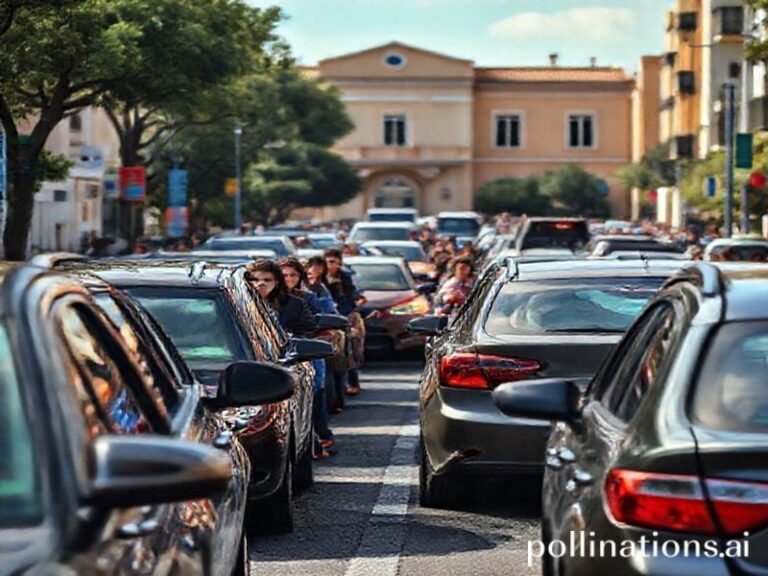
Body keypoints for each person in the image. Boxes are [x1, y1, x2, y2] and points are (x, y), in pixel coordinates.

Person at [278, 257, 336, 458]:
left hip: (303, 351)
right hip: (274, 354)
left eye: (293, 275)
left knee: (315, 390)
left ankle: (321, 436)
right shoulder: (261, 300)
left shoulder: (307, 298)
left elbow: (315, 325)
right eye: (284, 275)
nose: (288, 279)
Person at [324, 248, 365, 401]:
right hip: (330, 319)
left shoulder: (346, 278)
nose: (330, 266)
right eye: (328, 262)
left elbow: (356, 297)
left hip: (348, 317)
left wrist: (353, 314)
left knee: (351, 349)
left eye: (333, 262)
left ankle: (353, 383)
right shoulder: (321, 280)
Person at [245, 259, 317, 337]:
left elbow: (308, 333)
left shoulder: (295, 305)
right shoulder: (239, 303)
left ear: (276, 282)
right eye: (254, 280)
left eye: (267, 280)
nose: (260, 284)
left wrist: (287, 337)